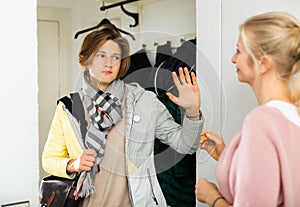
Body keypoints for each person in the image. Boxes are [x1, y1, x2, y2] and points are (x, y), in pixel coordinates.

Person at [42, 24, 204, 207]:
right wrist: (74, 164)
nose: (109, 63)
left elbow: (186, 145)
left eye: (115, 57)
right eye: (101, 55)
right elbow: (49, 160)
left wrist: (191, 112)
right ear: (86, 60)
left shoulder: (144, 101)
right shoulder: (69, 107)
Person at [195, 11, 300, 207]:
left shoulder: (261, 121)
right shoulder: (292, 117)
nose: (233, 59)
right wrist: (225, 155)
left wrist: (211, 197)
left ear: (263, 63)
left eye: (239, 51)